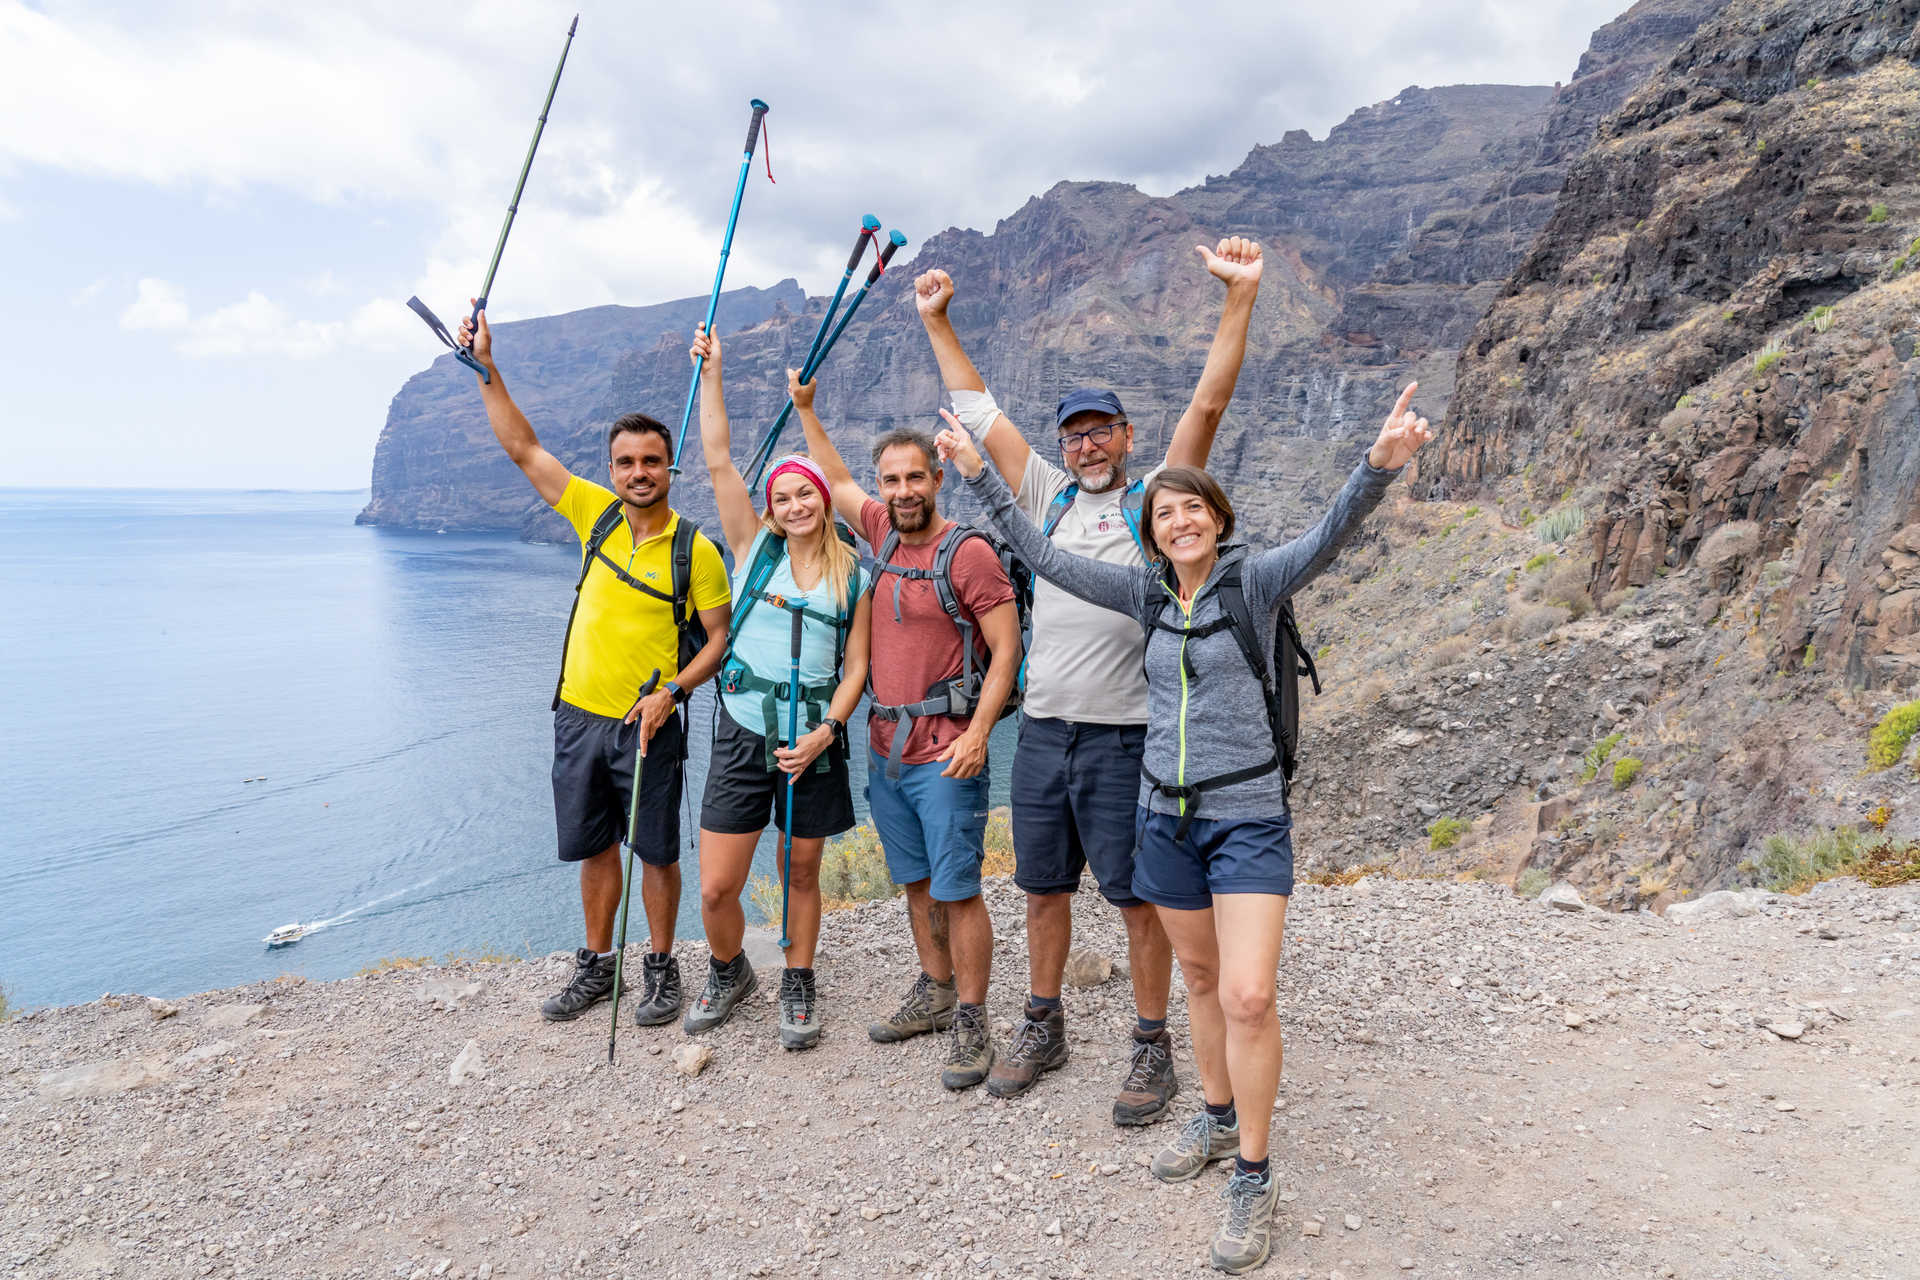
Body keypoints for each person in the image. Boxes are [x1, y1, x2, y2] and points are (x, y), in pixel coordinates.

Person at [935, 385, 1430, 1275]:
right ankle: (1210, 1114)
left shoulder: (1258, 579)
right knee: (1200, 977)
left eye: (1191, 507)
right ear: (1150, 530)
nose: (1178, 522)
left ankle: (1253, 1170)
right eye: (1164, 513)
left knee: (1248, 994)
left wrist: (1377, 466)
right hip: (1162, 814)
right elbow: (1039, 554)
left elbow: (1331, 534)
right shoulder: (1142, 593)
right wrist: (979, 477)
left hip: (1245, 817)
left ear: (1216, 516)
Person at [913, 237, 1265, 1122]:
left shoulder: (1158, 502)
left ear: (1127, 437)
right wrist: (938, 320)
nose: (1085, 446)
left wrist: (1238, 300)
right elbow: (977, 407)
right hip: (1044, 731)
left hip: (1127, 737)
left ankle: (1152, 1047)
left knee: (1140, 901)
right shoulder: (1046, 495)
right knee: (1041, 890)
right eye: (1073, 434)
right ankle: (1044, 1023)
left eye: (1100, 430)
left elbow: (1210, 402)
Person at [458, 308, 732, 1029]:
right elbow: (523, 447)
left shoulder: (694, 551)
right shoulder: (594, 514)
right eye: (625, 463)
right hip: (580, 716)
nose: (638, 473)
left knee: (657, 852)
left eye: (650, 462)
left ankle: (663, 968)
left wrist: (674, 690)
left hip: (650, 722)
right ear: (611, 469)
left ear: (668, 467)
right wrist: (488, 367)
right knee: (596, 849)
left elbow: (719, 641)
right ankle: (596, 965)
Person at [792, 369, 1023, 1090]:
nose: (902, 490)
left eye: (915, 477)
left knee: (959, 891)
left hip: (946, 754)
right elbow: (828, 476)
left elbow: (1007, 649)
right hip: (886, 752)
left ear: (937, 479)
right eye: (890, 479)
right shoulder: (879, 532)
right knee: (917, 883)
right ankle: (935, 988)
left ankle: (974, 1018)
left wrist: (980, 732)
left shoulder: (969, 553)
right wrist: (806, 410)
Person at [685, 325, 872, 1049]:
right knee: (716, 886)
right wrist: (713, 375)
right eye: (784, 497)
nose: (796, 506)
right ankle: (731, 968)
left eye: (807, 495)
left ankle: (798, 976)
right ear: (771, 506)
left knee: (800, 871)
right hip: (741, 724)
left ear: (823, 502)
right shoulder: (751, 548)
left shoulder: (851, 571)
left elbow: (855, 667)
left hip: (813, 739)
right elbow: (718, 457)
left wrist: (828, 731)